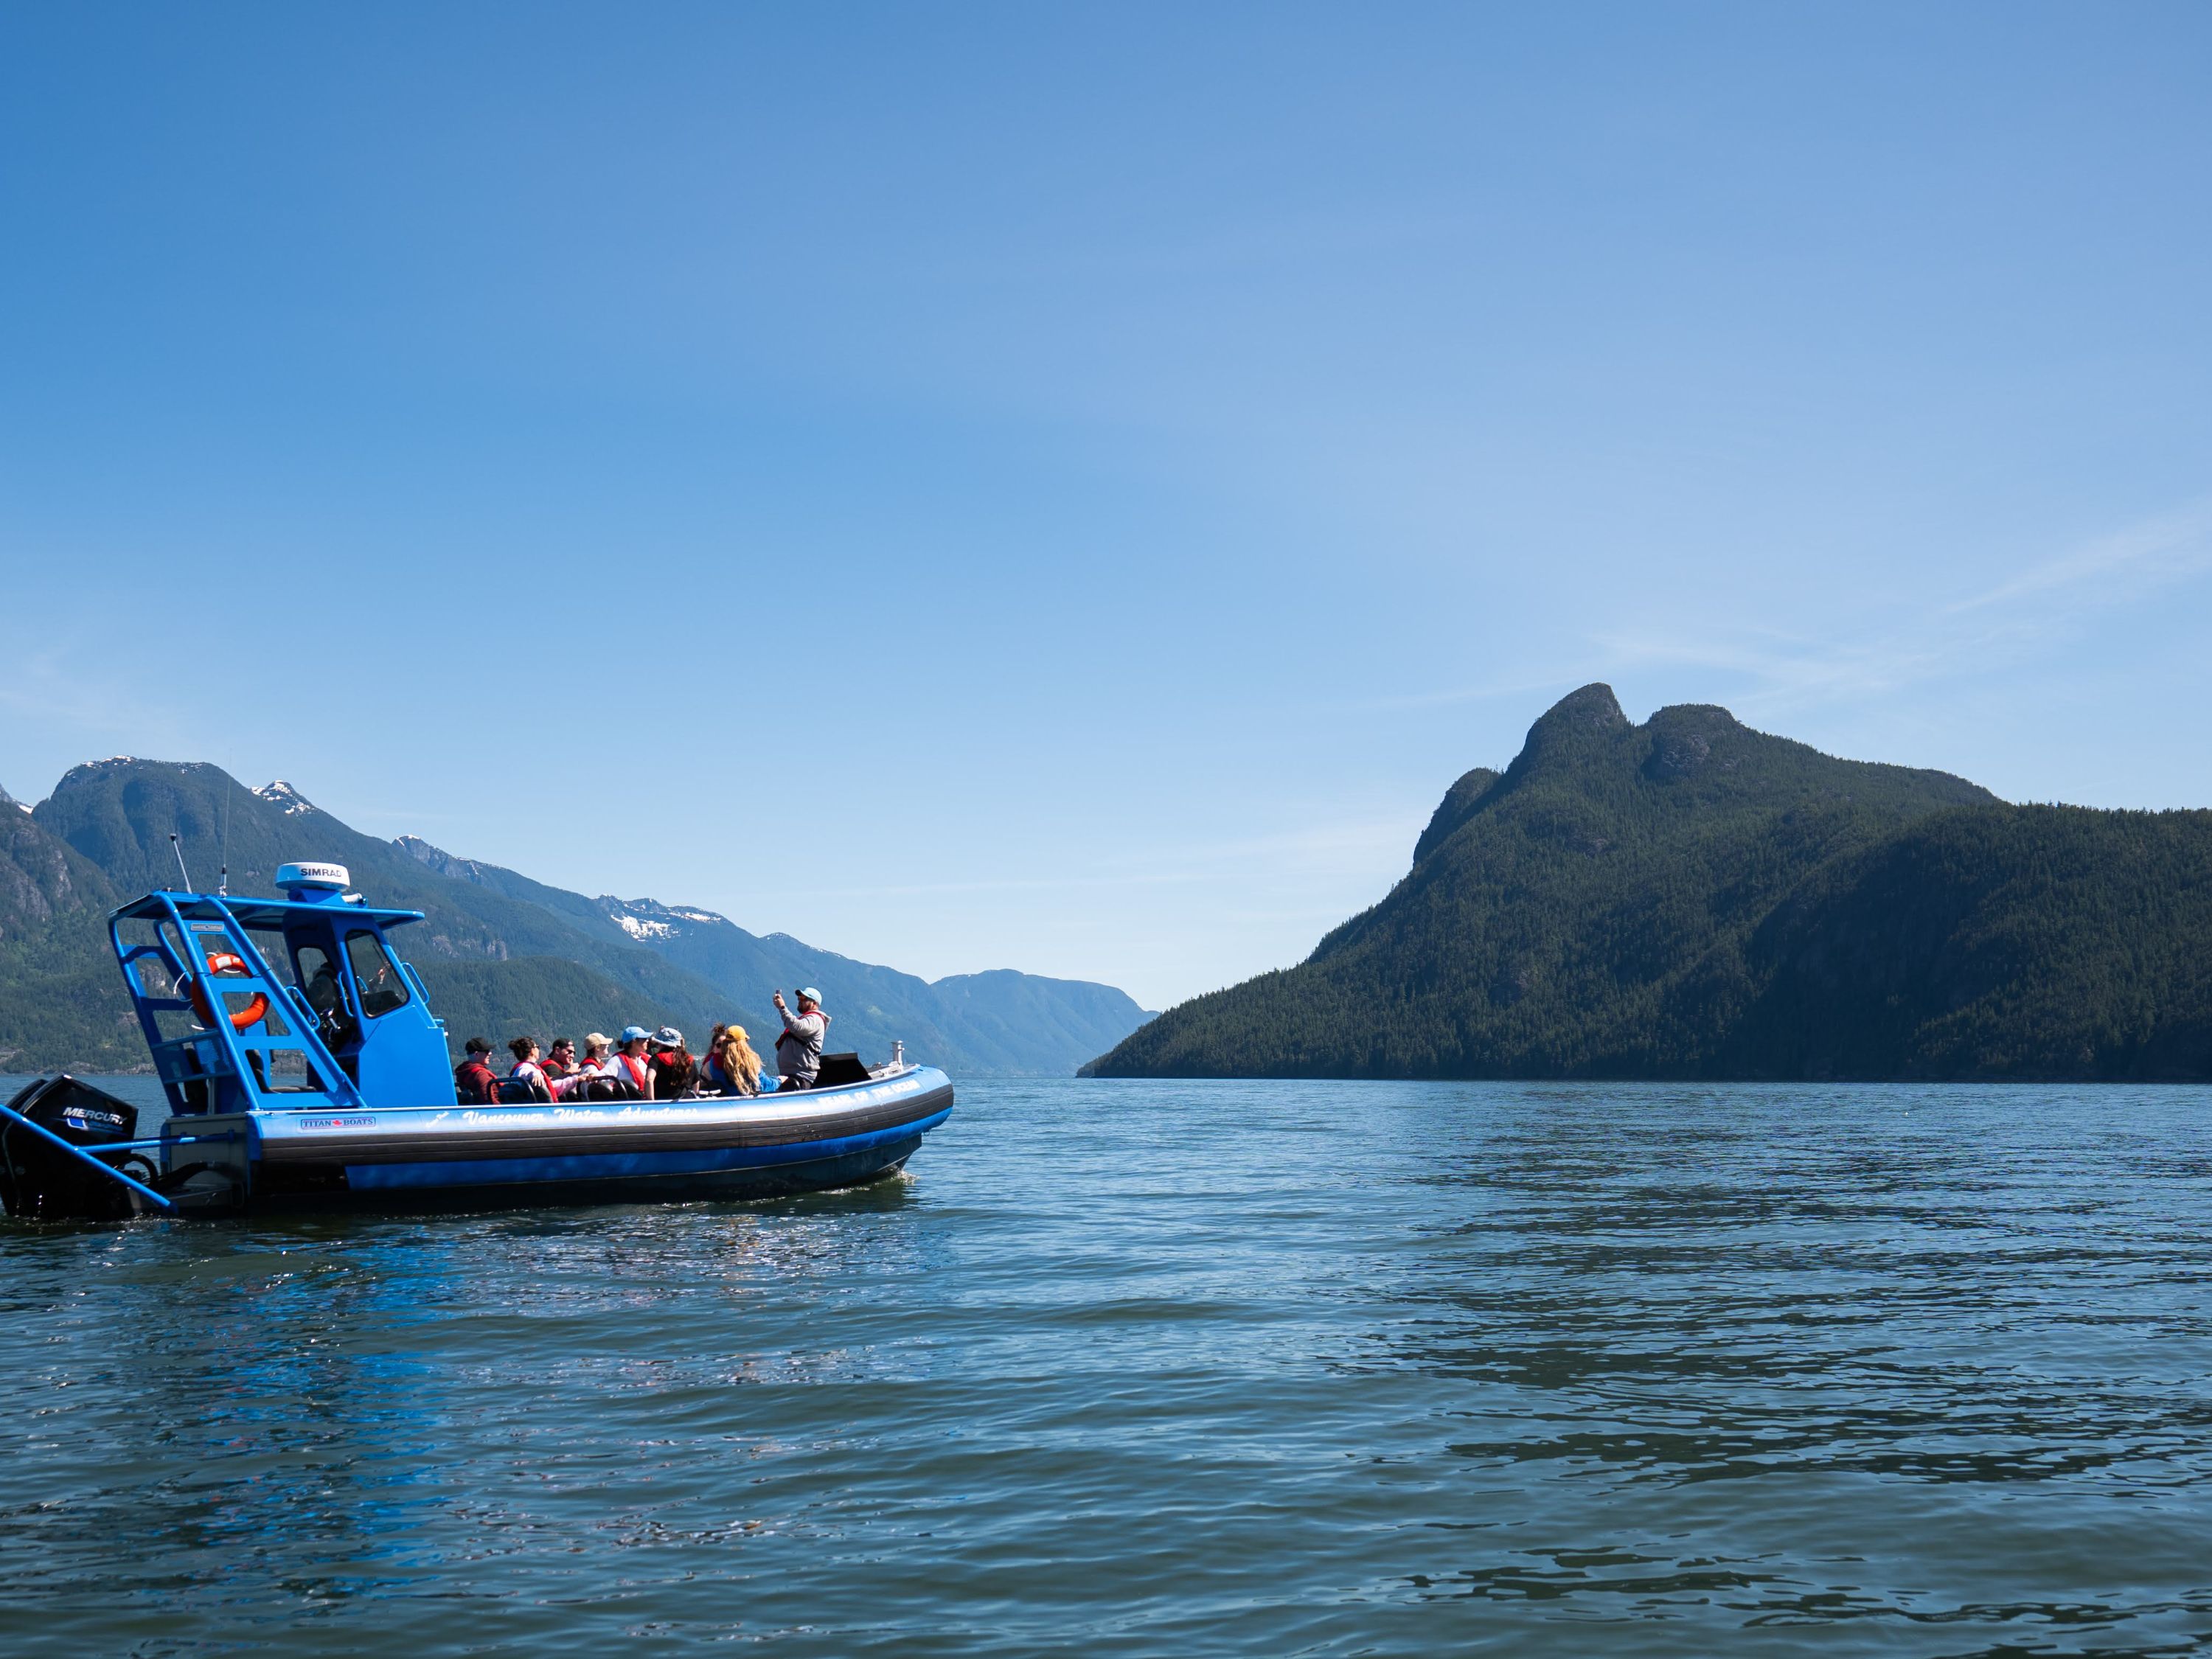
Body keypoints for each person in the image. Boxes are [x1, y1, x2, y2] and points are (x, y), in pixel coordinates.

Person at [771, 987, 829, 1090]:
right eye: (800, 998)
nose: (800, 1001)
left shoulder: (815, 1019)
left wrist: (782, 1008)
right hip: (792, 1074)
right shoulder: (809, 1018)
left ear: (814, 1003)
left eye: (804, 999)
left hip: (801, 1077)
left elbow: (796, 1027)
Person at [700, 1023, 763, 1096]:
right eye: (719, 1045)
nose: (723, 1049)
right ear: (713, 1048)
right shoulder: (710, 1066)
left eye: (726, 1045)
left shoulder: (710, 1064)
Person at [647, 1026, 695, 1099]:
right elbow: (696, 1085)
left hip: (661, 1103)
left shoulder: (656, 1059)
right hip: (685, 1102)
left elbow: (649, 1079)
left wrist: (652, 1102)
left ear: (661, 1044)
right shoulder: (689, 1059)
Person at [607, 1026, 655, 1097]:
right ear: (634, 1042)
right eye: (644, 1039)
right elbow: (601, 1077)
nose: (647, 1040)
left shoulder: (647, 1058)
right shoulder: (617, 1060)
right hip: (630, 1103)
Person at [508, 1037, 557, 1103]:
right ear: (532, 1051)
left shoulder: (521, 1067)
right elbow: (526, 1072)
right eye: (537, 1047)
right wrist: (536, 1073)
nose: (539, 1049)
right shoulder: (525, 1067)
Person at [453, 1036, 501, 1105]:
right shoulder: (481, 1074)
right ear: (477, 1054)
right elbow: (489, 1100)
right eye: (487, 1051)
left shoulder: (465, 1071)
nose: (490, 1053)